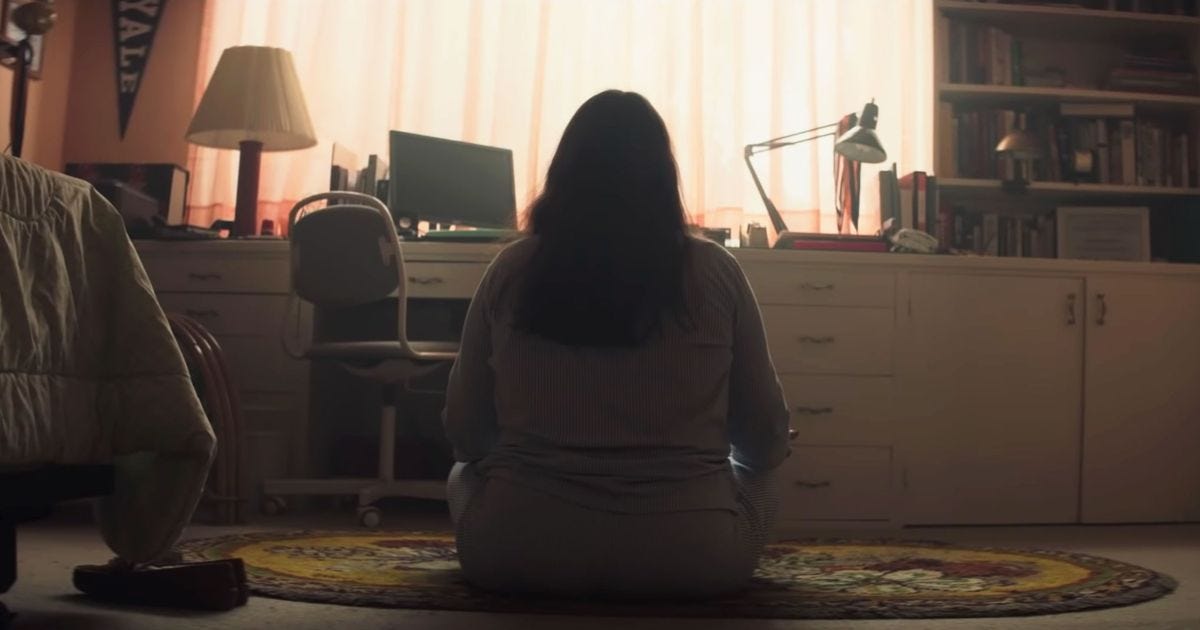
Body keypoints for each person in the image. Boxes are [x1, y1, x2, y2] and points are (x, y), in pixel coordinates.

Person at [443, 90, 789, 599]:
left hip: (514, 554)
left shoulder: (511, 270)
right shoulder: (717, 272)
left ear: (563, 173)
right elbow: (765, 438)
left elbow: (466, 432)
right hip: (695, 560)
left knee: (462, 472)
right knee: (764, 473)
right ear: (663, 177)